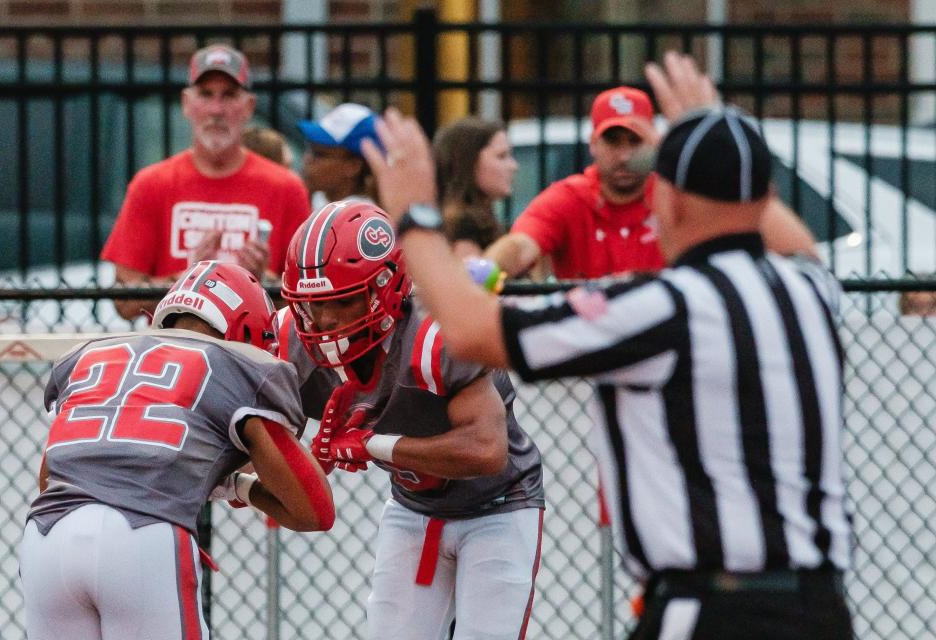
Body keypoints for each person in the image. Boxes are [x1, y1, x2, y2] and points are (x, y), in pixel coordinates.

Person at [361, 52, 854, 639]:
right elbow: (792, 242)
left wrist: (414, 213)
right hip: (822, 607)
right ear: (763, 195)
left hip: (713, 608)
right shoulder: (811, 287)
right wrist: (714, 132)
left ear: (665, 200)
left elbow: (467, 330)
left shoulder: (663, 306)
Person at [19, 260, 335, 640]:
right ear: (249, 331)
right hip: (143, 539)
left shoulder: (94, 354)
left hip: (47, 539)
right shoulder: (237, 365)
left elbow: (50, 476)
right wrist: (239, 486)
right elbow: (315, 509)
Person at [277, 200, 545, 640]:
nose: (322, 321)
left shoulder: (436, 331)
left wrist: (371, 444)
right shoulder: (293, 340)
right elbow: (251, 425)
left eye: (341, 301)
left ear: (386, 286)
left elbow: (486, 451)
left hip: (499, 505)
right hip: (413, 509)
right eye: (310, 304)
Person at [484, 86, 817, 279]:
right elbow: (520, 247)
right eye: (613, 141)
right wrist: (476, 279)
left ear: (655, 142)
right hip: (589, 355)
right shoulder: (569, 197)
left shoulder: (676, 195)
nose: (625, 155)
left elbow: (744, 219)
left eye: (636, 141)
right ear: (593, 144)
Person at [101, 44, 312, 320]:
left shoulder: (286, 188)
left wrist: (265, 283)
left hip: (257, 357)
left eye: (229, 95)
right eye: (206, 94)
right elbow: (123, 302)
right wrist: (188, 278)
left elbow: (312, 302)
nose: (216, 109)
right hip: (176, 351)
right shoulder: (151, 184)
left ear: (249, 107)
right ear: (186, 103)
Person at [433, 116, 518, 258]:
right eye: (501, 156)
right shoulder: (465, 225)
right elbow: (469, 277)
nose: (514, 166)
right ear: (468, 163)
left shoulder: (471, 218)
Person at [297, 103, 381, 208]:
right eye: (309, 149)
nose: (307, 159)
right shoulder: (314, 199)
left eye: (319, 154)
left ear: (353, 166)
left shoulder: (362, 218)